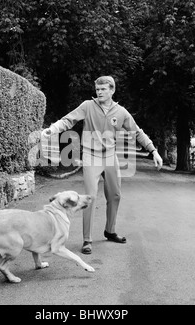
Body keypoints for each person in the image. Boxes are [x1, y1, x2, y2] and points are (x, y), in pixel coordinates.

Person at [42, 76, 163, 254]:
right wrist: (53, 129)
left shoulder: (121, 112)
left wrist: (153, 151)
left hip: (110, 156)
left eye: (103, 89)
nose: (99, 92)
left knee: (115, 195)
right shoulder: (87, 106)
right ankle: (87, 240)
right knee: (89, 197)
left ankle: (110, 230)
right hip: (91, 155)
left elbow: (137, 132)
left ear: (112, 90)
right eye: (97, 90)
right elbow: (68, 120)